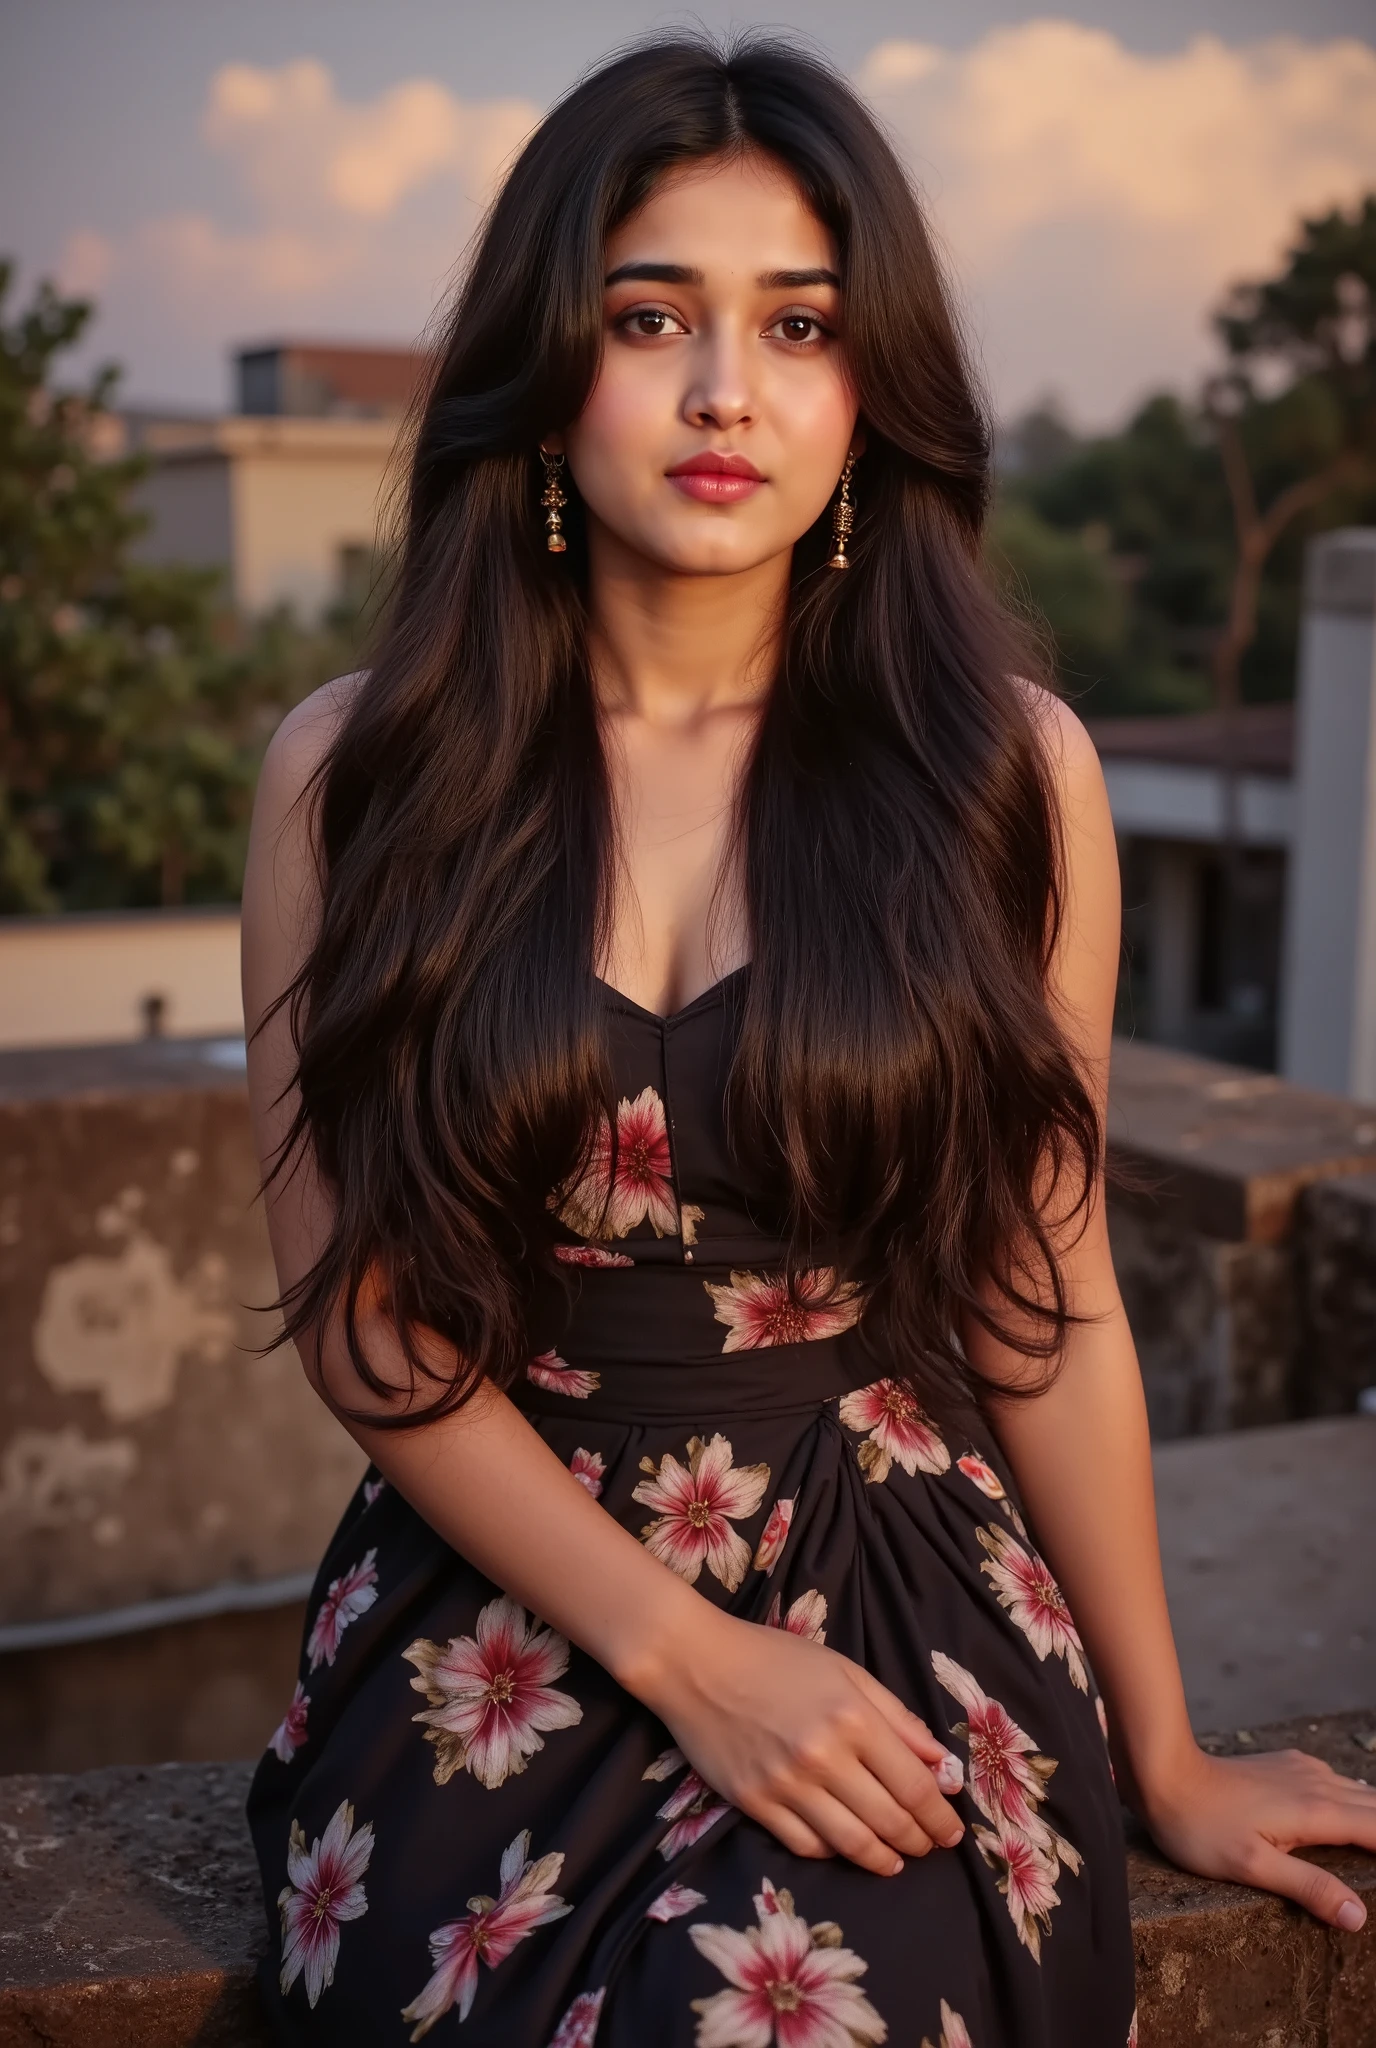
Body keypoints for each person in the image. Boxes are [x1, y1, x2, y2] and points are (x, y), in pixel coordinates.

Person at [242, 36, 1375, 2048]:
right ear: (543, 365)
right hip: (496, 1601)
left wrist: (1169, 1750)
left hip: (895, 1572)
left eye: (797, 325)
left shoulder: (1001, 776)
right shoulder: (358, 775)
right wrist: (684, 1653)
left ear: (870, 390)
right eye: (649, 316)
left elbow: (1048, 1293)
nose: (719, 391)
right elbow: (366, 1322)